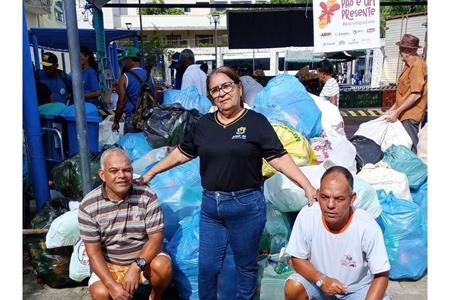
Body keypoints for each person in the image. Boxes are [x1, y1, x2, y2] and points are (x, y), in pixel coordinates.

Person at [138, 66, 317, 299]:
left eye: (226, 86)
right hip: (212, 207)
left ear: (239, 88)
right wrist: (152, 172)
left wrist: (307, 185)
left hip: (246, 205)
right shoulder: (204, 124)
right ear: (210, 96)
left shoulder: (256, 122)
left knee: (244, 266)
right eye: (214, 90)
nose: (221, 93)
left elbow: (279, 158)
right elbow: (183, 152)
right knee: (208, 267)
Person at [78, 147, 172, 300]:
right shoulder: (89, 205)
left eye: (126, 170)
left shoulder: (147, 195)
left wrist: (136, 267)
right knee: (101, 293)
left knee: (163, 266)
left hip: (142, 259)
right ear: (103, 175)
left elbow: (156, 238)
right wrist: (112, 285)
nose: (121, 176)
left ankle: (155, 297)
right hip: (111, 263)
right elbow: (93, 252)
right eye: (114, 171)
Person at [284, 166, 390, 300]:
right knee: (294, 287)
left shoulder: (367, 226)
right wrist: (321, 280)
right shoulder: (307, 215)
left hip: (356, 291)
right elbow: (297, 258)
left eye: (339, 199)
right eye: (324, 197)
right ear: (317, 194)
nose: (330, 205)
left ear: (352, 199)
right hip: (319, 285)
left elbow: (381, 275)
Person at [384, 34, 427, 154]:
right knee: (404, 147)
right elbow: (404, 94)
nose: (400, 52)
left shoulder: (417, 65)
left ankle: (415, 172)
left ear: (408, 50)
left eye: (401, 49)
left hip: (410, 115)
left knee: (410, 148)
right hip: (404, 113)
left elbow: (416, 94)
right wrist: (392, 110)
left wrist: (396, 112)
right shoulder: (408, 65)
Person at [112, 47, 157, 133]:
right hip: (148, 118)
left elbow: (121, 103)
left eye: (125, 60)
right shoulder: (150, 77)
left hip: (133, 119)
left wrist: (116, 122)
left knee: (130, 145)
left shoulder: (124, 77)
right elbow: (154, 100)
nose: (124, 63)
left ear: (129, 60)